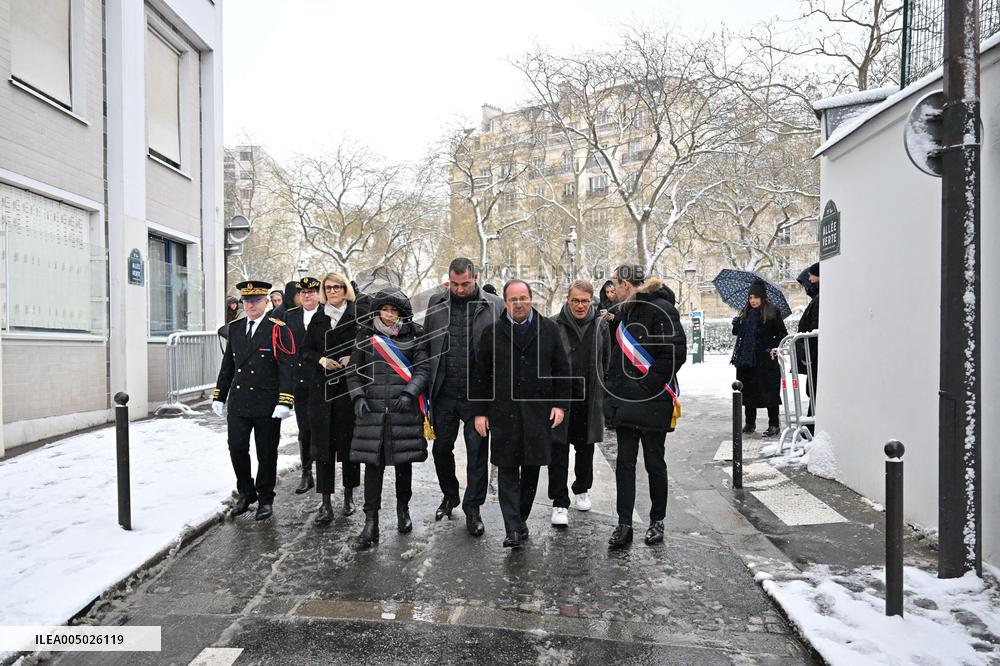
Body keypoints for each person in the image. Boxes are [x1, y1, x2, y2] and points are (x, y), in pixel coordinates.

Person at [472, 279, 571, 549]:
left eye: (523, 298)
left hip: (537, 413)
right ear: (506, 302)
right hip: (503, 414)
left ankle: (520, 519)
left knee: (531, 470)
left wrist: (560, 404)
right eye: (513, 299)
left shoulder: (548, 329)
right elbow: (480, 376)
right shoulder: (492, 333)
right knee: (506, 470)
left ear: (531, 299)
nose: (519, 304)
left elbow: (561, 370)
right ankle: (513, 528)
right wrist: (480, 412)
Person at [604, 264, 686, 549]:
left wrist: (645, 387)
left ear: (626, 284)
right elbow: (618, 360)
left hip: (652, 401)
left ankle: (656, 521)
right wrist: (612, 398)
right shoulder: (625, 312)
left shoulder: (662, 309)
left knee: (654, 463)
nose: (612, 290)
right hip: (626, 403)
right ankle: (624, 523)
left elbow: (673, 354)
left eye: (615, 284)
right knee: (624, 465)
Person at [423, 258, 504, 537]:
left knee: (477, 454)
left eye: (465, 284)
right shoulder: (435, 304)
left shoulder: (495, 305)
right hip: (444, 394)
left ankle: (473, 509)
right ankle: (450, 495)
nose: (459, 289)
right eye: (454, 284)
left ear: (476, 279)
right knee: (441, 449)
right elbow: (426, 345)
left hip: (477, 397)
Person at [347, 287, 430, 549]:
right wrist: (358, 397)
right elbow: (353, 371)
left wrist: (409, 393)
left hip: (402, 410)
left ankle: (403, 509)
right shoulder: (365, 334)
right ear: (378, 311)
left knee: (404, 465)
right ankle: (370, 523)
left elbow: (423, 369)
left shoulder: (415, 334)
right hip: (372, 412)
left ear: (402, 313)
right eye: (385, 309)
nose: (389, 314)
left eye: (394, 310)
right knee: (373, 468)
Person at [212, 280, 296, 521]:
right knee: (237, 448)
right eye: (246, 301)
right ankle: (246, 492)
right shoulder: (235, 328)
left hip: (266, 402)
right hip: (239, 401)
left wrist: (285, 400)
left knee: (266, 453)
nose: (250, 305)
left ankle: (266, 498)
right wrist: (220, 395)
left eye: (256, 300)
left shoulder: (277, 329)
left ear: (266, 302)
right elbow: (228, 365)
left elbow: (287, 367)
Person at [301, 272, 362, 521]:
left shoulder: (357, 315)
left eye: (337, 287)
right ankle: (325, 502)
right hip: (322, 392)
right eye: (328, 288)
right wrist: (322, 360)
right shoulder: (318, 317)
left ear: (345, 289)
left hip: (348, 389)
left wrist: (353, 357)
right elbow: (305, 350)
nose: (333, 291)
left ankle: (349, 496)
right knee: (323, 449)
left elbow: (369, 345)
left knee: (348, 447)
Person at [549, 280, 610, 525]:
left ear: (591, 301)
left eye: (585, 301)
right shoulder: (553, 325)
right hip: (561, 400)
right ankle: (559, 502)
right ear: (568, 299)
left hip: (589, 399)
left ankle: (582, 488)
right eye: (575, 300)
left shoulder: (600, 326)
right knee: (557, 452)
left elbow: (605, 360)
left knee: (586, 450)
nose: (580, 305)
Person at [277, 277, 323, 495]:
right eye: (303, 292)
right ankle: (307, 472)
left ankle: (325, 473)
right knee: (304, 429)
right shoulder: (290, 316)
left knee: (323, 429)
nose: (306, 295)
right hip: (301, 381)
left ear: (318, 294)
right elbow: (285, 348)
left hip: (323, 379)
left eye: (311, 292)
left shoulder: (327, 314)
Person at [731, 279, 788, 438]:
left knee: (770, 393)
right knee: (747, 392)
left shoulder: (772, 312)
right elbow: (738, 334)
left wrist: (772, 347)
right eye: (750, 297)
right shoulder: (745, 312)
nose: (753, 300)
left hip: (765, 359)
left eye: (756, 297)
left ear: (762, 297)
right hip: (746, 360)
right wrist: (737, 324)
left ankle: (774, 424)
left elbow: (782, 334)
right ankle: (750, 423)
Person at [796, 262, 820, 433]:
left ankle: (811, 428)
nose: (809, 279)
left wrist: (808, 353)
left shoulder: (819, 300)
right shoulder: (817, 298)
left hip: (814, 355)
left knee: (814, 390)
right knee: (812, 391)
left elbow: (814, 328)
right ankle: (810, 427)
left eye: (812, 275)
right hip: (812, 354)